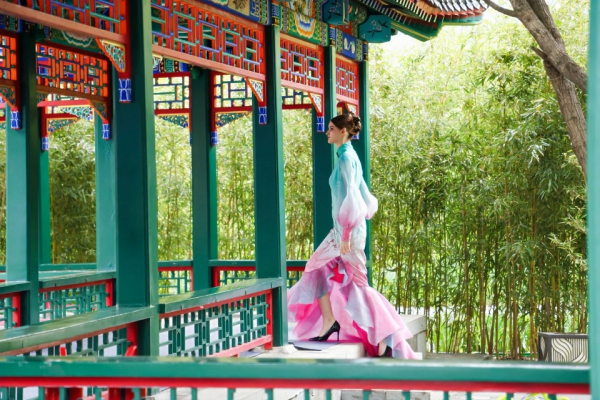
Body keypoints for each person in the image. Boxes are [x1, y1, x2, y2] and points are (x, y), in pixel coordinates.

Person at [287, 113, 417, 359]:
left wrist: (346, 233)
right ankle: (330, 321)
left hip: (347, 232)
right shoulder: (347, 156)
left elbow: (354, 198)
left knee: (358, 283)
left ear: (343, 131)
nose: (327, 132)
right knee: (316, 267)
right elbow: (364, 193)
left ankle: (383, 337)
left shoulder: (347, 158)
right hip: (342, 231)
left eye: (331, 128)